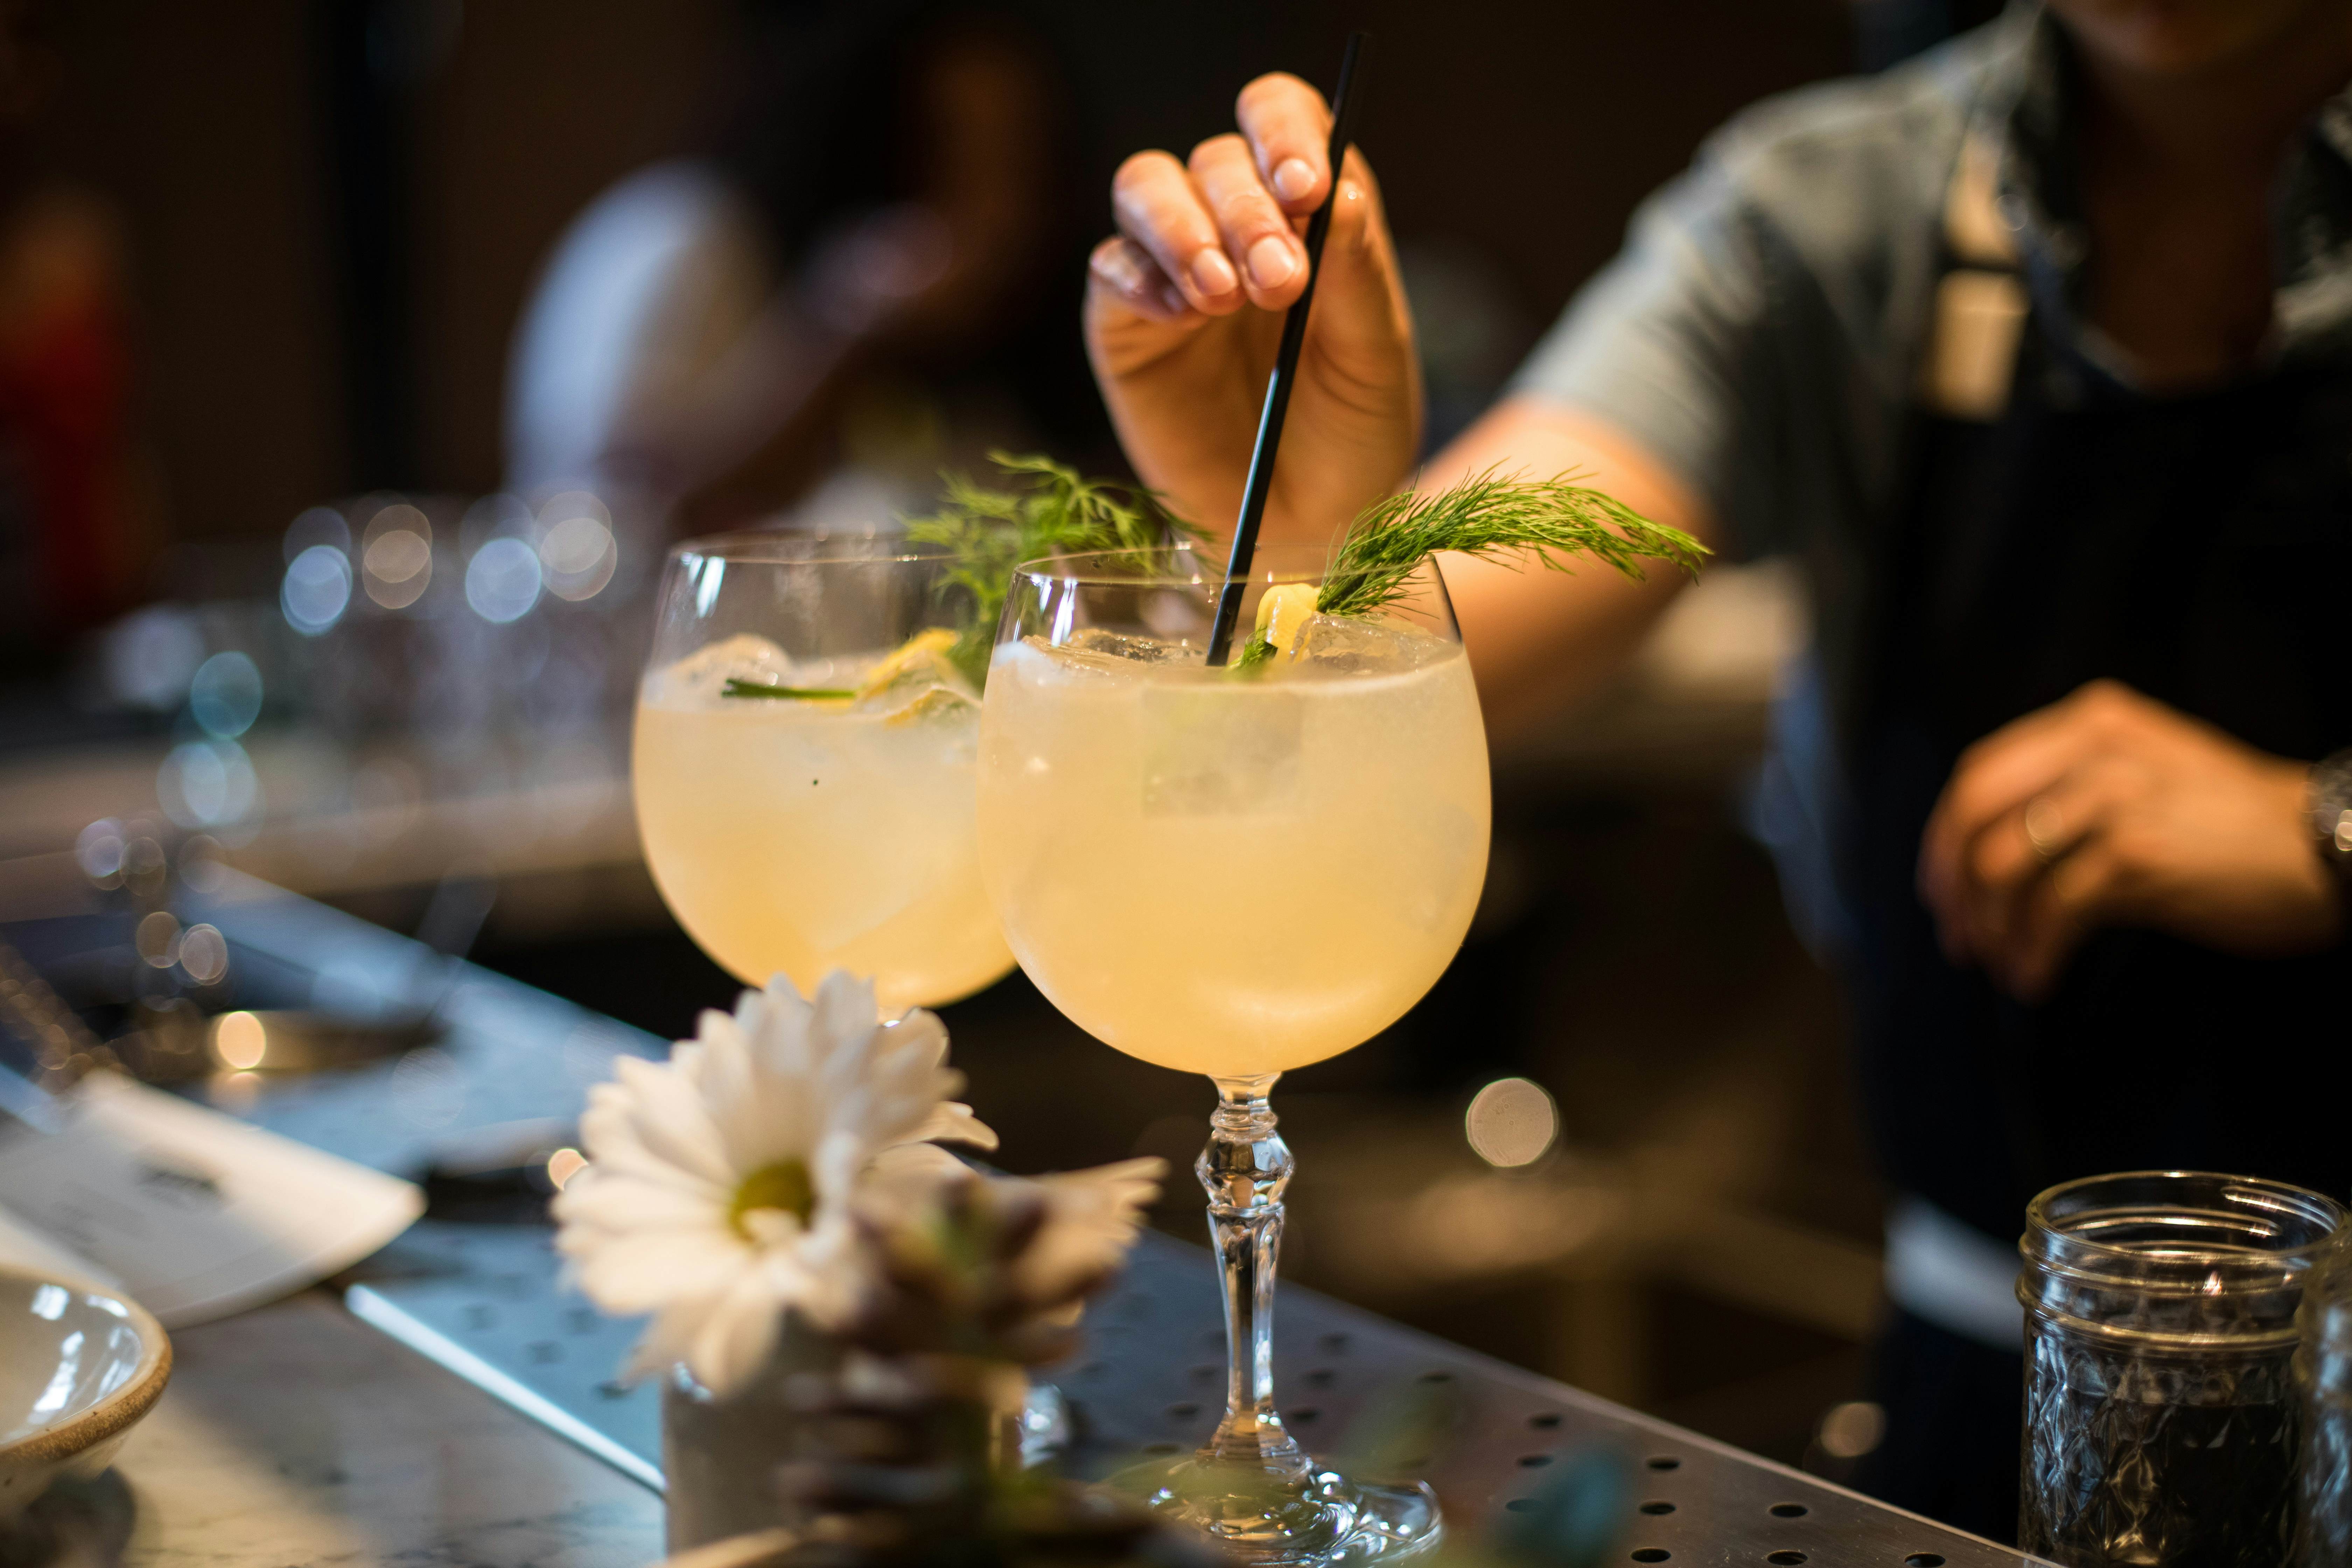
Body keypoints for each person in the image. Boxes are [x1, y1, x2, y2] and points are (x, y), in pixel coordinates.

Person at [1082, 0, 2352, 1539]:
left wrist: (2320, 825)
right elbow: (1443, 644)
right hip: (1988, 1375)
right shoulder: (1836, 205)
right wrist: (1296, 516)